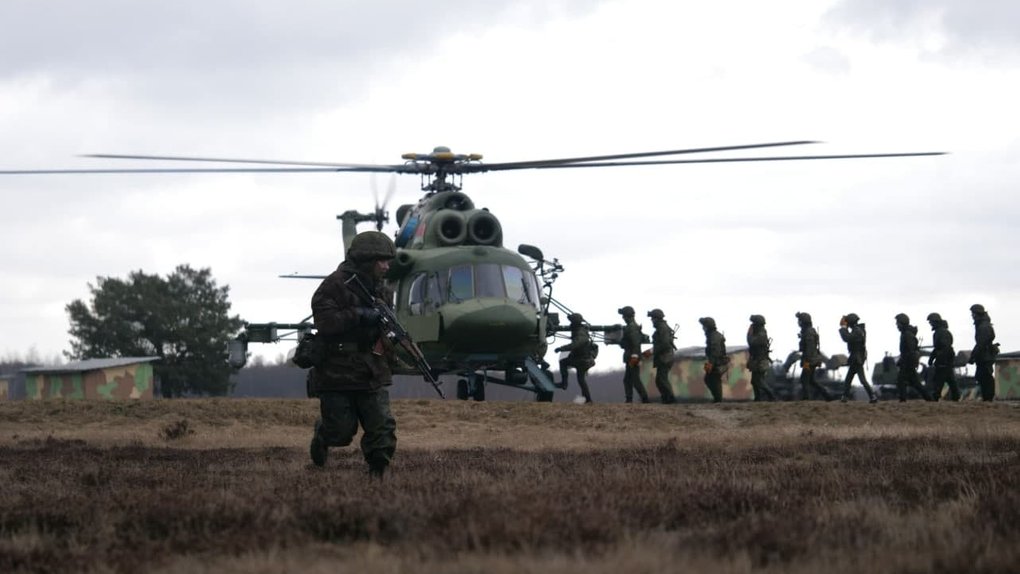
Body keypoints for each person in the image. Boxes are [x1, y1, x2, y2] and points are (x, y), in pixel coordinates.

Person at [308, 230, 398, 477]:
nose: (387, 266)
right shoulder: (333, 286)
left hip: (371, 369)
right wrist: (358, 315)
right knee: (341, 432)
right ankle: (323, 435)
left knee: (382, 428)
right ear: (367, 260)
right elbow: (325, 323)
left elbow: (386, 327)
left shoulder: (383, 291)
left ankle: (378, 474)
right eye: (382, 261)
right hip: (337, 370)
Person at [555, 313, 596, 403]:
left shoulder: (580, 333)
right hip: (583, 360)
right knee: (581, 380)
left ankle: (564, 383)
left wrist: (561, 348)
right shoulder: (581, 330)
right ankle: (588, 400)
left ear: (575, 323)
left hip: (582, 360)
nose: (570, 324)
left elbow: (575, 344)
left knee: (563, 362)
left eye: (571, 322)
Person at [894, 313, 934, 402]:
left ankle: (903, 400)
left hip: (908, 363)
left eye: (898, 323)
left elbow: (910, 351)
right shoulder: (906, 333)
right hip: (907, 362)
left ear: (902, 323)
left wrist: (905, 361)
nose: (897, 325)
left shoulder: (907, 334)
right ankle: (929, 399)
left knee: (901, 381)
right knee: (915, 383)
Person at [839, 313, 877, 403]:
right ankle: (844, 397)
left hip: (857, 358)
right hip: (856, 358)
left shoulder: (857, 331)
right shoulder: (858, 330)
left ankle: (872, 396)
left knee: (862, 380)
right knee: (849, 379)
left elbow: (847, 338)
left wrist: (843, 328)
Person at [796, 312, 833, 401]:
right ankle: (827, 395)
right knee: (811, 380)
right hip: (811, 359)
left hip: (809, 360)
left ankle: (806, 398)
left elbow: (809, 348)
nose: (799, 323)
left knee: (804, 379)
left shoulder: (809, 333)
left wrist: (807, 362)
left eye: (800, 321)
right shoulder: (808, 331)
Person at [926, 312, 961, 401]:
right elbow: (937, 348)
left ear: (935, 322)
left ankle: (936, 396)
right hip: (945, 360)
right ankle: (956, 396)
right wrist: (932, 358)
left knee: (939, 380)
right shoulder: (940, 332)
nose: (930, 324)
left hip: (944, 360)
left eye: (931, 322)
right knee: (950, 379)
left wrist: (939, 360)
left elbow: (944, 348)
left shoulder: (941, 333)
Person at [618, 306, 650, 403]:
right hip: (631, 356)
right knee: (628, 379)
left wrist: (634, 357)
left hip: (633, 357)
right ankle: (629, 399)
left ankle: (644, 398)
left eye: (624, 316)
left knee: (634, 379)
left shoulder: (631, 328)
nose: (623, 318)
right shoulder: (632, 327)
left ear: (627, 316)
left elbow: (635, 343)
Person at [968, 303, 999, 401]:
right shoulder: (982, 325)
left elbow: (981, 344)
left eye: (973, 314)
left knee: (985, 377)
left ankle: (988, 398)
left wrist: (973, 356)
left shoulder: (983, 326)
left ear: (977, 314)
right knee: (982, 376)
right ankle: (987, 397)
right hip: (984, 355)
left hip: (985, 356)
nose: (972, 316)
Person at [746, 315, 777, 401]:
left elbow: (751, 342)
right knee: (754, 381)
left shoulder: (761, 334)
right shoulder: (760, 333)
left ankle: (771, 395)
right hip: (756, 360)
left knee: (759, 381)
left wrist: (749, 333)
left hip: (760, 361)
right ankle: (757, 398)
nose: (752, 326)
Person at [649, 308, 677, 404]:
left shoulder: (662, 328)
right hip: (665, 357)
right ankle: (666, 399)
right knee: (660, 379)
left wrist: (652, 351)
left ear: (656, 319)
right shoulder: (662, 327)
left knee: (662, 379)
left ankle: (670, 399)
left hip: (665, 357)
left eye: (652, 318)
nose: (651, 320)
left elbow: (664, 344)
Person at [699, 317, 727, 403]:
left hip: (717, 362)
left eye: (704, 326)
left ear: (707, 326)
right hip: (717, 361)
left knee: (712, 380)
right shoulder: (713, 335)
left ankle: (718, 400)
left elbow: (715, 351)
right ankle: (717, 399)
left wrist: (711, 363)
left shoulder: (713, 336)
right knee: (712, 380)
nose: (703, 328)